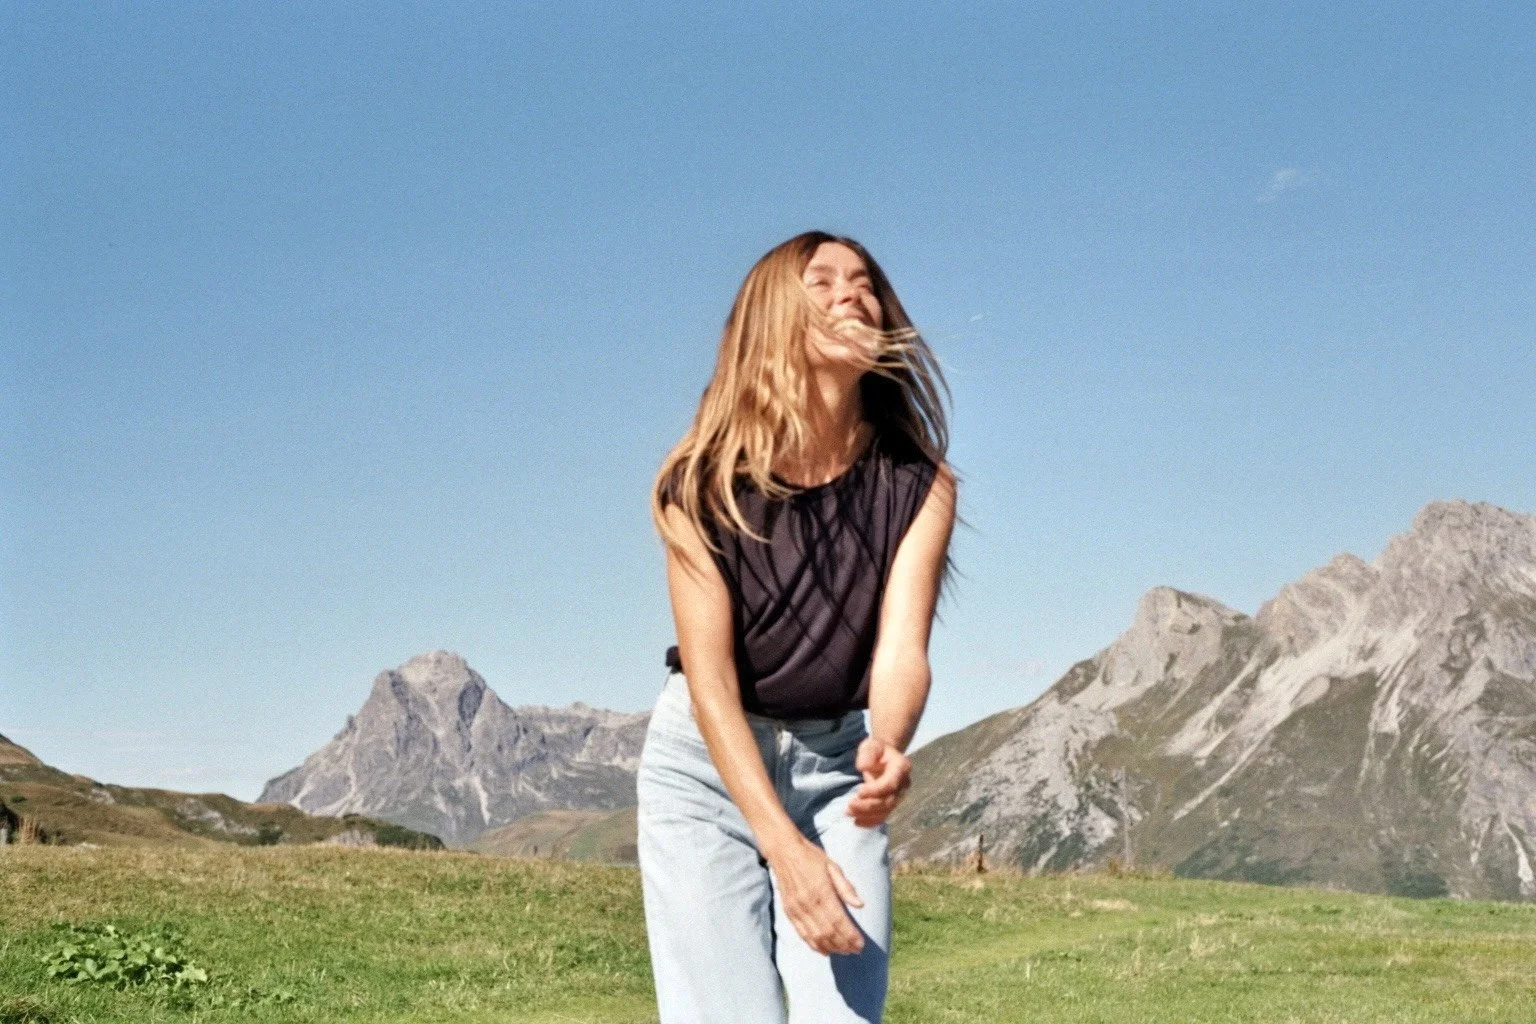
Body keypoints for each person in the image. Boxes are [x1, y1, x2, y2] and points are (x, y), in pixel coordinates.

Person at [641, 230, 958, 1023]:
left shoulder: (920, 483)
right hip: (707, 767)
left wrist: (890, 744)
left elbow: (902, 648)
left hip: (836, 767)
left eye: (864, 282)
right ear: (772, 317)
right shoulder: (700, 481)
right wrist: (783, 849)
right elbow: (710, 683)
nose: (851, 293)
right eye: (821, 281)